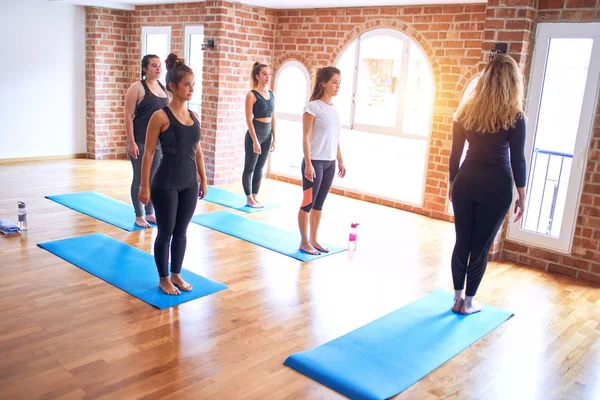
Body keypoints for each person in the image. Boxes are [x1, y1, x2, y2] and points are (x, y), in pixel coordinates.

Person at [448, 52, 527, 315]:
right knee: (480, 247)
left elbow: (454, 154)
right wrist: (522, 195)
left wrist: (452, 183)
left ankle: (457, 298)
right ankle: (469, 303)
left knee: (462, 242)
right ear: (512, 83)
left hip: (466, 181)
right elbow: (518, 159)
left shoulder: (465, 112)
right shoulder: (515, 117)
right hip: (496, 187)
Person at [139, 53, 208, 295]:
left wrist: (203, 178)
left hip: (189, 183)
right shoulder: (160, 116)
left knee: (182, 232)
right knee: (165, 232)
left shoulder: (194, 116)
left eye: (193, 85)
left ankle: (177, 274)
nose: (191, 89)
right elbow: (148, 154)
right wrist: (144, 186)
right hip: (165, 184)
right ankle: (163, 278)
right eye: (186, 84)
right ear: (173, 86)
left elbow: (198, 151)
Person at [298, 66, 346, 255]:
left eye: (339, 83)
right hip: (314, 163)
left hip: (329, 164)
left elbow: (336, 138)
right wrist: (308, 163)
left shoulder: (333, 109)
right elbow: (306, 136)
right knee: (307, 203)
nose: (337, 86)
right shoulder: (313, 107)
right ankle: (304, 241)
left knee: (319, 204)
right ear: (323, 83)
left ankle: (314, 240)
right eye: (334, 82)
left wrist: (340, 160)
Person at [124, 54, 169, 228]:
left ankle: (150, 213)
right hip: (140, 141)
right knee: (140, 179)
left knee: (153, 179)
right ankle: (139, 215)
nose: (158, 68)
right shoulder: (137, 87)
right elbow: (128, 116)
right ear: (145, 69)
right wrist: (131, 142)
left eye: (159, 66)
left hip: (158, 143)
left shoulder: (163, 89)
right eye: (153, 65)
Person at [242, 62, 276, 208]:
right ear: (257, 76)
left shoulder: (272, 94)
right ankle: (249, 197)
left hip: (267, 135)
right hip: (255, 134)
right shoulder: (251, 95)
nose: (267, 77)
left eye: (269, 74)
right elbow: (249, 120)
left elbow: (273, 117)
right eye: (264, 74)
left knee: (260, 168)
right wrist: (255, 140)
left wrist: (275, 137)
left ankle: (255, 196)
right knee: (250, 167)